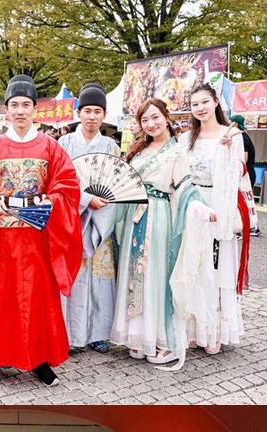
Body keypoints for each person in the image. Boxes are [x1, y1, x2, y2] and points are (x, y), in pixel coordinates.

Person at [0, 73, 82, 387]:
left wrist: (51, 199)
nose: (19, 111)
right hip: (1, 237)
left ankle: (40, 360)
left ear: (34, 110)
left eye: (25, 105)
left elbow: (67, 185)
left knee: (37, 300)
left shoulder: (50, 147)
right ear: (6, 110)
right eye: (14, 105)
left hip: (36, 238)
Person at [110, 98, 206, 364]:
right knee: (133, 272)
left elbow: (187, 188)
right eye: (145, 120)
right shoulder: (139, 151)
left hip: (157, 215)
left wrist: (201, 209)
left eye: (155, 117)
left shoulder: (177, 151)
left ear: (166, 116)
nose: (151, 124)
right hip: (133, 215)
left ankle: (160, 339)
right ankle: (138, 336)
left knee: (155, 273)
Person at [182, 84, 247, 358]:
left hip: (218, 206)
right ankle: (194, 330)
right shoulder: (187, 138)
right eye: (195, 104)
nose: (200, 108)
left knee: (216, 270)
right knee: (194, 268)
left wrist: (224, 218)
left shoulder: (230, 135)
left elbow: (234, 180)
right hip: (193, 206)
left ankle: (214, 332)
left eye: (205, 102)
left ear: (215, 101)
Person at [58, 81, 120, 353]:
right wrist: (85, 199)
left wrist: (100, 202)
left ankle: (99, 333)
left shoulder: (110, 146)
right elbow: (60, 182)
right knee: (75, 274)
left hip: (101, 219)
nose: (92, 117)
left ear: (104, 115)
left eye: (98, 111)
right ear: (78, 113)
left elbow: (116, 183)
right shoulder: (64, 143)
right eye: (87, 111)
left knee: (100, 276)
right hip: (72, 218)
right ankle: (71, 333)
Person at [229, 114, 260, 238]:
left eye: (230, 123)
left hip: (244, 175)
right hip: (246, 174)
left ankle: (248, 227)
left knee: (243, 202)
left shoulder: (241, 138)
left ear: (235, 124)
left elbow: (244, 159)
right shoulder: (243, 136)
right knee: (244, 202)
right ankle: (248, 227)